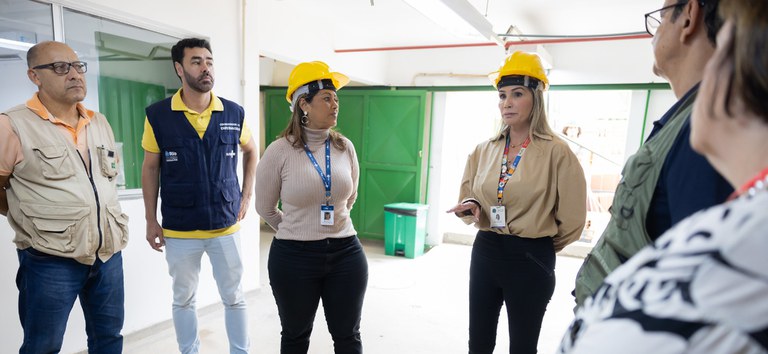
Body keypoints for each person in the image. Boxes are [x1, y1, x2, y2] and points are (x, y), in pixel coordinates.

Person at [559, 1, 768, 351]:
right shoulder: (680, 127)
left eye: (730, 49)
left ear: (688, 16)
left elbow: (709, 297)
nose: (654, 31)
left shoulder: (700, 143)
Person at [573, 0, 734, 305]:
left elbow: (700, 288)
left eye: (660, 18)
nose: (655, 32)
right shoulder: (685, 120)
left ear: (688, 17)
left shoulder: (705, 130)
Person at [446, 51, 587, 354]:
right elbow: (468, 195)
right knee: (479, 342)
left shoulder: (557, 152)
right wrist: (471, 208)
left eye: (517, 94)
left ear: (536, 98)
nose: (506, 103)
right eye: (502, 96)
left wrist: (539, 242)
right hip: (486, 251)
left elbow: (573, 221)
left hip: (530, 258)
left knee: (523, 347)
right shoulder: (484, 149)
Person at [0, 41, 128, 353]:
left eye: (77, 66)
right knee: (43, 345)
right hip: (49, 258)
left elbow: (107, 180)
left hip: (108, 254)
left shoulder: (99, 121)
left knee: (109, 338)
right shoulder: (12, 124)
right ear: (35, 76)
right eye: (60, 67)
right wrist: (24, 216)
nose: (73, 74)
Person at [141, 38, 257, 354]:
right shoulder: (158, 116)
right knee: (184, 299)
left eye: (209, 60)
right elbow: (150, 169)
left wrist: (247, 195)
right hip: (180, 229)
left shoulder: (234, 112)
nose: (205, 67)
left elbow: (251, 151)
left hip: (225, 226)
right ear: (179, 68)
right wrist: (151, 220)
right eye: (196, 61)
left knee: (234, 297)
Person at [254, 61, 367, 354]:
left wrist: (333, 225)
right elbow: (265, 208)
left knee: (348, 336)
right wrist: (297, 229)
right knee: (295, 336)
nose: (335, 105)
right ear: (303, 104)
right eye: (326, 98)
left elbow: (349, 197)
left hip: (346, 253)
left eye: (336, 98)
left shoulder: (345, 147)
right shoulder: (279, 151)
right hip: (294, 258)